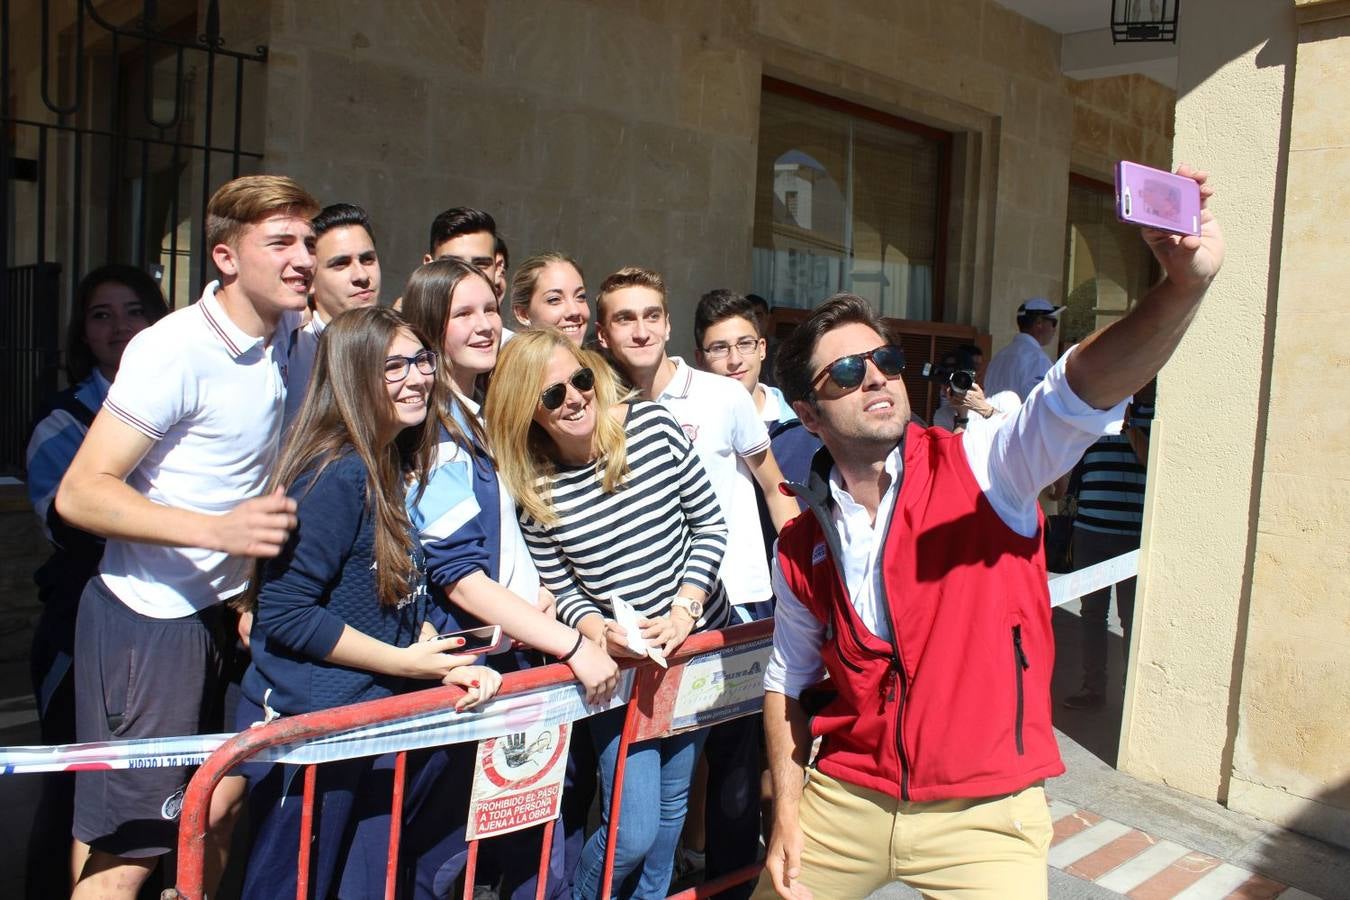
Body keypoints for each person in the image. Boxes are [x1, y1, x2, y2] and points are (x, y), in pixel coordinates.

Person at [755, 165, 1223, 899]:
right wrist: (787, 812)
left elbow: (1074, 395)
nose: (877, 377)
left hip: (985, 814)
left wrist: (1180, 289)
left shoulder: (982, 465)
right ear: (808, 416)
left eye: (886, 360)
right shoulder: (800, 543)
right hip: (844, 798)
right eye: (847, 371)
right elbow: (787, 681)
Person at [55, 174, 319, 899]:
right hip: (148, 624)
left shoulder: (294, 334)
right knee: (131, 850)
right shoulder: (172, 349)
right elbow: (81, 492)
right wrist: (216, 530)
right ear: (226, 257)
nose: (304, 258)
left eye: (308, 240)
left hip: (224, 618)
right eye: (282, 243)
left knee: (217, 816)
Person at [237, 306, 501, 899]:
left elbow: (391, 589)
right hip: (314, 736)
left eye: (421, 360)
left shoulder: (389, 460)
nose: (418, 377)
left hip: (371, 729)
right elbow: (285, 613)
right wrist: (404, 662)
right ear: (355, 377)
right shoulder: (334, 471)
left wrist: (435, 649)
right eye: (394, 367)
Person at [485, 328, 732, 900]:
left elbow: (711, 526)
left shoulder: (652, 427)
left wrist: (684, 610)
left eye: (581, 379)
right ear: (529, 411)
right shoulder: (532, 486)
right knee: (632, 830)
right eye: (552, 395)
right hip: (618, 670)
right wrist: (598, 632)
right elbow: (562, 589)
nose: (574, 397)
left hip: (687, 648)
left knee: (671, 816)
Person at [401, 260, 618, 899]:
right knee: (450, 863)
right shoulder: (439, 433)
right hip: (478, 672)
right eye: (461, 314)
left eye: (488, 309)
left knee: (527, 847)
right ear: (428, 329)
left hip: (514, 657)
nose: (483, 324)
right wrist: (572, 644)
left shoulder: (475, 411)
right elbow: (459, 576)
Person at [23, 264, 168, 899]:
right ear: (83, 332)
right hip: (84, 627)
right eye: (101, 315)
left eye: (133, 311)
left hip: (170, 627)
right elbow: (74, 525)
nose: (119, 327)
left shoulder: (179, 404)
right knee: (78, 793)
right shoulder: (61, 423)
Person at [1062, 388, 1154, 711]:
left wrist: (1128, 426)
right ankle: (1093, 688)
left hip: (1132, 536)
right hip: (1090, 530)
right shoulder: (1099, 414)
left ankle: (1132, 696)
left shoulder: (1156, 413)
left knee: (1131, 617)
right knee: (1091, 614)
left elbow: (1152, 460)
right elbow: (1077, 458)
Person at [285, 202, 382, 422]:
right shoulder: (284, 351)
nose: (361, 276)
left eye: (367, 260)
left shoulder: (404, 349)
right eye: (341, 264)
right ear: (310, 281)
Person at [983, 297, 1062, 400]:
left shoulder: (999, 356)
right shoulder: (1038, 359)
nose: (1054, 329)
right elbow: (1039, 403)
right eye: (1053, 323)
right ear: (1039, 323)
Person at [511, 251, 591, 344]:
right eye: (554, 299)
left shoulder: (595, 358)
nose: (574, 311)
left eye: (580, 297)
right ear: (523, 314)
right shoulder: (510, 358)